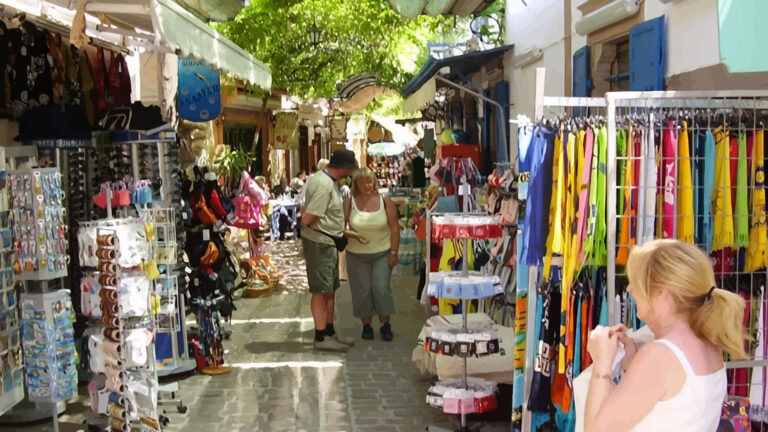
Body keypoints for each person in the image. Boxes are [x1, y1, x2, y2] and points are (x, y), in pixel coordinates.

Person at [585, 239, 747, 432]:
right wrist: (632, 366)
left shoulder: (660, 355)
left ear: (661, 292)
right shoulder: (708, 342)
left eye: (636, 282)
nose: (630, 289)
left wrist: (602, 365)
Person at [301, 151, 358, 352]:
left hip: (327, 242)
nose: (351, 174)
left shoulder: (325, 181)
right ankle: (321, 336)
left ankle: (329, 332)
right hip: (320, 243)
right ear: (343, 167)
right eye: (350, 169)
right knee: (321, 290)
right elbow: (308, 218)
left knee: (329, 290)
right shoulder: (324, 185)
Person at [343, 167, 400, 341]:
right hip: (356, 254)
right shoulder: (349, 201)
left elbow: (395, 227)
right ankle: (366, 325)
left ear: (374, 182)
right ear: (355, 184)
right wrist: (353, 235)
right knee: (362, 291)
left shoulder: (384, 200)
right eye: (361, 182)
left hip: (382, 252)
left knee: (380, 287)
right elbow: (340, 226)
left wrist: (394, 252)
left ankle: (385, 324)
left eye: (369, 181)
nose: (366, 185)